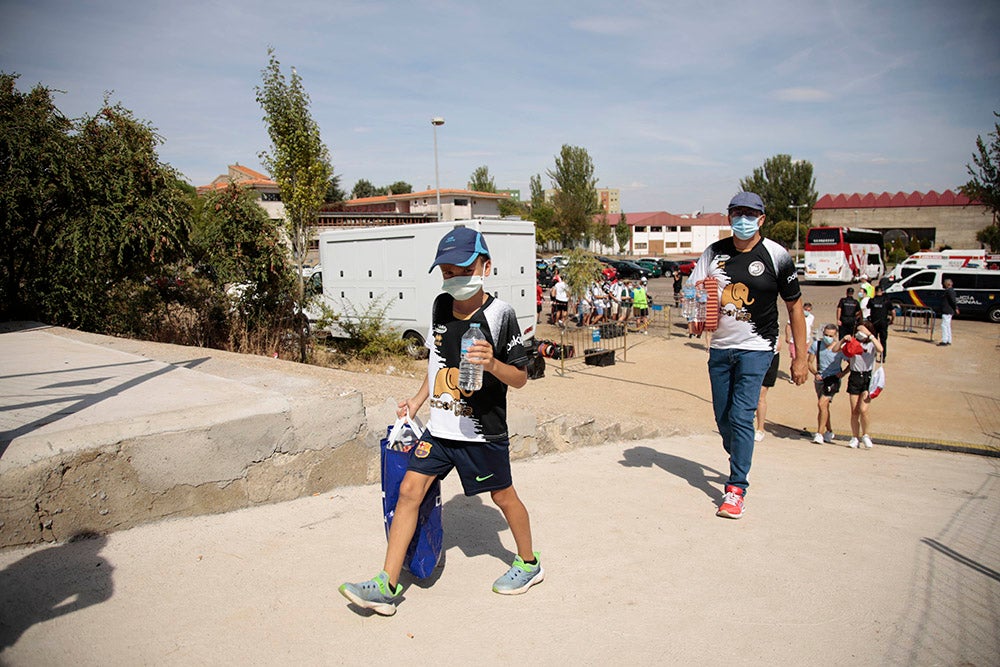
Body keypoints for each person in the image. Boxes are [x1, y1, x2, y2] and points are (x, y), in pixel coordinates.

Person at [339, 227, 541, 615]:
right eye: (446, 271)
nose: (454, 278)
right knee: (410, 492)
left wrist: (492, 363)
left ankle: (529, 564)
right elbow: (436, 366)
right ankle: (386, 584)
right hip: (441, 429)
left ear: (486, 266)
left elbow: (520, 378)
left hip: (482, 433)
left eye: (461, 269)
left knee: (502, 496)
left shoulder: (501, 315)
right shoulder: (439, 306)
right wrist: (416, 402)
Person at [689, 192, 808, 520]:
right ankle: (740, 452)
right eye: (737, 213)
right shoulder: (714, 253)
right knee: (724, 419)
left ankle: (736, 488)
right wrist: (697, 307)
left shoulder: (776, 255)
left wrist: (801, 357)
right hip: (721, 348)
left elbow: (794, 306)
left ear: (762, 218)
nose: (743, 219)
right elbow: (692, 291)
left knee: (742, 415)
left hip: (758, 348)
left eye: (750, 214)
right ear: (728, 217)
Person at [842, 320, 883, 449]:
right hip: (855, 375)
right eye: (859, 331)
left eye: (863, 331)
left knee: (863, 410)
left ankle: (865, 434)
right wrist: (845, 339)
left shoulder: (871, 343)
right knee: (854, 411)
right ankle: (855, 437)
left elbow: (880, 349)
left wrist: (870, 335)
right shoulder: (853, 342)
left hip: (867, 377)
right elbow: (838, 350)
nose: (861, 333)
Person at [808, 324, 847, 444]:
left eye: (830, 336)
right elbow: (809, 362)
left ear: (835, 336)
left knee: (822, 403)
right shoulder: (817, 345)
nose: (827, 338)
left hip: (833, 378)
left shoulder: (840, 348)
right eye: (825, 335)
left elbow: (851, 362)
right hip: (820, 378)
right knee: (823, 406)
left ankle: (819, 433)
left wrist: (842, 373)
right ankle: (829, 430)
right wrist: (815, 372)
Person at [754, 334, 781, 442]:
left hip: (770, 356)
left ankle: (760, 429)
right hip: (752, 354)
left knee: (760, 395)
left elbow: (779, 345)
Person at [785, 302, 814, 383]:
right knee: (795, 358)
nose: (807, 311)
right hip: (794, 340)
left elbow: (810, 328)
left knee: (802, 358)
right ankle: (793, 375)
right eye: (805, 309)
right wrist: (787, 336)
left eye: (809, 310)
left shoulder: (811, 317)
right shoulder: (797, 314)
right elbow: (788, 325)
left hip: (806, 341)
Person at [867, 285, 894, 360]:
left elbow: (868, 307)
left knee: (873, 339)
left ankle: (873, 355)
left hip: (874, 322)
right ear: (882, 291)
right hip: (883, 323)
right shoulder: (886, 301)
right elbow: (893, 311)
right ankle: (883, 356)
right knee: (883, 340)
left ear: (875, 292)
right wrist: (892, 320)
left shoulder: (872, 300)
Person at [939, 278, 959, 346]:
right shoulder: (951, 291)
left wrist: (956, 307)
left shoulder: (949, 291)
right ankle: (948, 340)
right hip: (948, 310)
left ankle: (945, 340)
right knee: (947, 325)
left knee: (944, 325)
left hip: (947, 310)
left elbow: (953, 301)